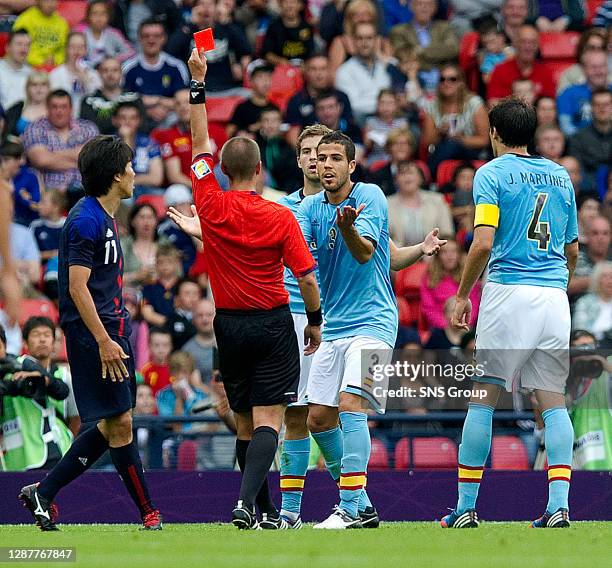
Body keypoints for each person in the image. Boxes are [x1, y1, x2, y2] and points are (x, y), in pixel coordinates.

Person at [186, 47, 322, 529]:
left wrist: (198, 82)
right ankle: (246, 505)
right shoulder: (280, 215)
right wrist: (316, 323)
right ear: (260, 170)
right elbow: (306, 276)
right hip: (271, 323)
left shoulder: (210, 203)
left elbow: (200, 137)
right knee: (270, 423)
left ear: (222, 168)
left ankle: (262, 510)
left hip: (229, 327)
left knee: (245, 423)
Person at [296, 131, 445, 529]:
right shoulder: (309, 209)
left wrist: (347, 229)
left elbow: (365, 253)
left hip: (375, 322)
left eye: (333, 158)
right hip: (333, 326)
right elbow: (385, 257)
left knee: (351, 405)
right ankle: (361, 504)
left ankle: (347, 507)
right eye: (319, 157)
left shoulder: (371, 197)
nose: (325, 164)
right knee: (318, 420)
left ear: (350, 165)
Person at [442, 98, 579, 529]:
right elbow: (572, 248)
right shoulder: (560, 176)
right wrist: (556, 283)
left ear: (495, 134)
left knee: (484, 396)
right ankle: (559, 505)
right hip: (554, 297)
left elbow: (482, 242)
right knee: (553, 402)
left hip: (508, 291)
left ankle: (465, 507)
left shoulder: (491, 174)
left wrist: (463, 294)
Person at [19, 135, 162, 531]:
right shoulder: (85, 220)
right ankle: (149, 514)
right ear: (117, 175)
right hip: (95, 337)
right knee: (120, 423)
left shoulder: (103, 214)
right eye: (131, 166)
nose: (135, 172)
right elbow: (77, 287)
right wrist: (103, 340)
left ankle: (43, 493)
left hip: (112, 331)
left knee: (115, 420)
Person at [0, 316, 80, 472]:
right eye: (36, 335)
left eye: (47, 335)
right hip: (20, 457)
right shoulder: (10, 372)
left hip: (59, 450)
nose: (42, 340)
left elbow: (75, 417)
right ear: (24, 342)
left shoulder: (63, 375)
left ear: (55, 342)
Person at [22, 89, 99, 191]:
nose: (59, 111)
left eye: (63, 107)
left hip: (83, 191)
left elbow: (93, 160)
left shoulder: (88, 128)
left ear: (71, 109)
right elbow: (41, 160)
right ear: (47, 108)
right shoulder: (34, 128)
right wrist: (78, 161)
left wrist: (51, 154)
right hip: (49, 193)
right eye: (54, 107)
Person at [421, 64, 489, 176]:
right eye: (442, 79)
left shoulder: (474, 103)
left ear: (461, 82)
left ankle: (427, 177)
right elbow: (427, 141)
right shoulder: (431, 106)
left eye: (452, 79)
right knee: (448, 144)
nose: (446, 83)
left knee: (452, 144)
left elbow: (483, 140)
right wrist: (439, 131)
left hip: (471, 151)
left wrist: (460, 139)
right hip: (442, 150)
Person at [122, 19, 189, 127]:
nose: (151, 40)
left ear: (164, 38)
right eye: (146, 36)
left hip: (171, 120)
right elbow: (123, 99)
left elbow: (184, 100)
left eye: (156, 36)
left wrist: (157, 101)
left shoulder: (177, 66)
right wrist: (147, 111)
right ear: (139, 38)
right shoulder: (128, 68)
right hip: (138, 121)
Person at [285, 54, 353, 147]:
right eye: (313, 69)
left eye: (323, 69)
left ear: (329, 71)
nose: (319, 74)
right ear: (305, 71)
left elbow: (351, 129)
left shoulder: (341, 97)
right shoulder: (296, 100)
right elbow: (292, 138)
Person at [389, 0, 459, 91]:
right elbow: (405, 57)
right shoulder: (399, 31)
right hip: (414, 81)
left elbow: (453, 49)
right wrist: (439, 54)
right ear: (411, 7)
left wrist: (421, 50)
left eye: (429, 4)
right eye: (420, 4)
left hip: (444, 81)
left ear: (435, 7)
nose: (424, 8)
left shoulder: (444, 28)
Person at [335, 22, 393, 125]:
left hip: (392, 121)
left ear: (377, 40)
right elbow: (353, 105)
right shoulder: (344, 71)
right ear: (353, 41)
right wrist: (385, 105)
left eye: (369, 38)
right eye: (360, 38)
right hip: (363, 122)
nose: (364, 43)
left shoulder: (389, 65)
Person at [387, 160, 455, 246]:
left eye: (411, 173)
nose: (407, 177)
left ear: (421, 178)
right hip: (398, 256)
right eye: (402, 173)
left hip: (434, 254)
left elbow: (447, 234)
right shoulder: (386, 203)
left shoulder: (437, 200)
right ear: (396, 180)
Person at [487, 25, 555, 105]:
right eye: (523, 42)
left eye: (533, 42)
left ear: (538, 46)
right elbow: (492, 104)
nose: (528, 47)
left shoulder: (546, 72)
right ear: (515, 43)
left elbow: (550, 107)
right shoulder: (500, 70)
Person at [420, 239, 481, 329]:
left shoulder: (469, 277)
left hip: (465, 327)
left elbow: (474, 306)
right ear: (438, 256)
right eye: (444, 252)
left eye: (453, 251)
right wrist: (448, 327)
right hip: (440, 329)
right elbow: (429, 309)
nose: (450, 256)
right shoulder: (429, 279)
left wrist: (463, 324)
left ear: (459, 255)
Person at [79, 57, 144, 136]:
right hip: (101, 146)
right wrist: (119, 122)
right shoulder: (88, 101)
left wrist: (108, 122)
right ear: (99, 73)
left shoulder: (134, 98)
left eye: (115, 70)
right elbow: (89, 130)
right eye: (105, 70)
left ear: (121, 73)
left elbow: (144, 126)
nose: (110, 74)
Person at [112, 101, 163, 197]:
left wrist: (131, 180)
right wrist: (126, 139)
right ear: (115, 120)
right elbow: (120, 175)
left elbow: (157, 178)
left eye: (133, 118)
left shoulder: (149, 143)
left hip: (147, 189)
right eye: (123, 118)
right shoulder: (107, 144)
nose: (128, 122)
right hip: (119, 192)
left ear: (139, 121)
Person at [557, 50, 610, 137]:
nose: (599, 71)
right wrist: (589, 141)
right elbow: (565, 127)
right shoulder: (567, 94)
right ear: (584, 69)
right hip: (580, 146)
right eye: (594, 67)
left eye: (602, 66)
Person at [49, 32, 102, 118]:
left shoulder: (94, 75)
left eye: (81, 47)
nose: (77, 51)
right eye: (73, 47)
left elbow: (99, 101)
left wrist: (86, 80)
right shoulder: (56, 74)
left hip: (89, 119)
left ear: (85, 50)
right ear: (66, 49)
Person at [568, 89, 612, 193]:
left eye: (606, 104)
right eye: (598, 105)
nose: (602, 109)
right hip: (588, 195)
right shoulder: (578, 139)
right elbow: (577, 174)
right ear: (591, 107)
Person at [74, 0, 135, 68]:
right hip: (87, 72)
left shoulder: (114, 33)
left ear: (109, 16)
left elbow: (130, 51)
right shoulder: (80, 33)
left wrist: (114, 59)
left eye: (103, 14)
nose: (99, 18)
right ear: (88, 16)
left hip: (109, 71)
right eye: (95, 13)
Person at [12, 0, 69, 69]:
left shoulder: (62, 23)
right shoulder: (25, 19)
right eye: (47, 1)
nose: (51, 4)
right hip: (27, 65)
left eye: (53, 1)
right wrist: (41, 62)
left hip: (55, 67)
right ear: (38, 1)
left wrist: (55, 60)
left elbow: (64, 49)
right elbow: (17, 47)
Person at [227, 61, 275, 138]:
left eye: (269, 76)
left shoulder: (274, 107)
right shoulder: (242, 108)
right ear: (250, 81)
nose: (266, 81)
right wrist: (252, 128)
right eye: (260, 77)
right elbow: (229, 132)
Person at [556, 28, 609, 95]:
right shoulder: (569, 74)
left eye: (601, 48)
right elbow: (563, 100)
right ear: (582, 49)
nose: (596, 51)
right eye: (592, 47)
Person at [363, 89, 409, 166]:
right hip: (376, 158)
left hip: (397, 159)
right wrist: (368, 138)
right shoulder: (371, 122)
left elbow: (406, 146)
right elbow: (367, 146)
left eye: (390, 103)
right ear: (377, 105)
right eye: (382, 103)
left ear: (396, 105)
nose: (386, 107)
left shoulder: (402, 123)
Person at [141, 243, 181, 328]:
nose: (165, 266)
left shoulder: (184, 285)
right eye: (161, 262)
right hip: (156, 331)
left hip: (184, 329)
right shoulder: (148, 287)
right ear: (156, 264)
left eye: (169, 261)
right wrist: (171, 325)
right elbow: (147, 314)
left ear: (177, 263)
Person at [368, 127, 417, 196]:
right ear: (389, 148)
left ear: (410, 148)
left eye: (405, 143)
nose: (401, 147)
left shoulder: (419, 172)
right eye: (396, 143)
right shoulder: (377, 175)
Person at [262, 0, 314, 66]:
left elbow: (311, 52)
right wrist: (282, 62)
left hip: (304, 67)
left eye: (293, 2)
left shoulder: (307, 27)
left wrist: (306, 65)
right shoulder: (273, 27)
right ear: (280, 5)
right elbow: (268, 54)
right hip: (280, 68)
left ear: (300, 5)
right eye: (286, 2)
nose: (290, 6)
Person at [120, 202, 160, 287]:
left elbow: (177, 274)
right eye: (142, 217)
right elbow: (112, 279)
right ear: (133, 221)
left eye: (150, 217)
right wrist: (136, 276)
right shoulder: (122, 245)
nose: (146, 222)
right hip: (129, 295)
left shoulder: (165, 244)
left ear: (156, 221)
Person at [572, 261, 612, 340]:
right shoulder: (585, 302)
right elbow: (580, 330)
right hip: (592, 344)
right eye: (605, 277)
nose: (610, 281)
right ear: (597, 280)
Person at [4, 72, 49, 138]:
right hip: (19, 147)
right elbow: (4, 134)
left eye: (43, 85)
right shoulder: (17, 108)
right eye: (34, 85)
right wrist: (12, 139)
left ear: (49, 88)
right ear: (27, 88)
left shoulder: (56, 109)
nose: (38, 89)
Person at [182, 298, 216, 384]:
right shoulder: (187, 351)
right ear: (193, 319)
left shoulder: (230, 344)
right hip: (204, 396)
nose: (205, 320)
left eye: (209, 315)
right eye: (200, 315)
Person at [29, 189, 66, 264]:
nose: (39, 205)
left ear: (56, 206)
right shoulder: (35, 225)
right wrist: (51, 254)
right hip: (40, 269)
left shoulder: (69, 225)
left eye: (43, 202)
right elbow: (28, 254)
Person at [164, 277, 201, 350]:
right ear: (177, 298)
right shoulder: (171, 319)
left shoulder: (206, 317)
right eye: (187, 293)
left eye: (195, 293)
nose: (192, 297)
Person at [0, 29, 32, 112]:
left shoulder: (32, 74)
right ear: (7, 47)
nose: (23, 49)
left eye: (27, 45)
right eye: (19, 44)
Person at [140, 327, 172, 396]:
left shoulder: (174, 368)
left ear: (171, 346)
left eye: (165, 345)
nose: (161, 350)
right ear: (149, 346)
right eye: (156, 345)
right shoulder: (145, 370)